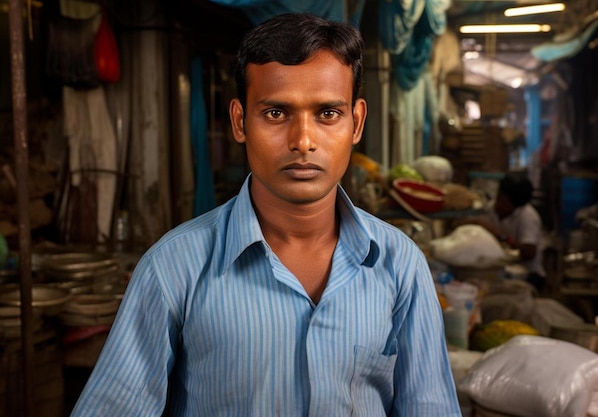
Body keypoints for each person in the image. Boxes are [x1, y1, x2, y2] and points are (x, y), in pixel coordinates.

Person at [70, 13, 461, 416]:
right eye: (276, 113)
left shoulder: (401, 266)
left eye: (328, 113)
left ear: (356, 122)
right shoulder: (173, 268)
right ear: (240, 121)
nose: (303, 141)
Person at [460, 173, 546, 291]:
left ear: (516, 206)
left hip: (529, 275)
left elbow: (530, 253)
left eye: (502, 200)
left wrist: (501, 235)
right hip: (499, 270)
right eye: (498, 197)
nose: (497, 203)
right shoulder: (491, 209)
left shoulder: (528, 217)